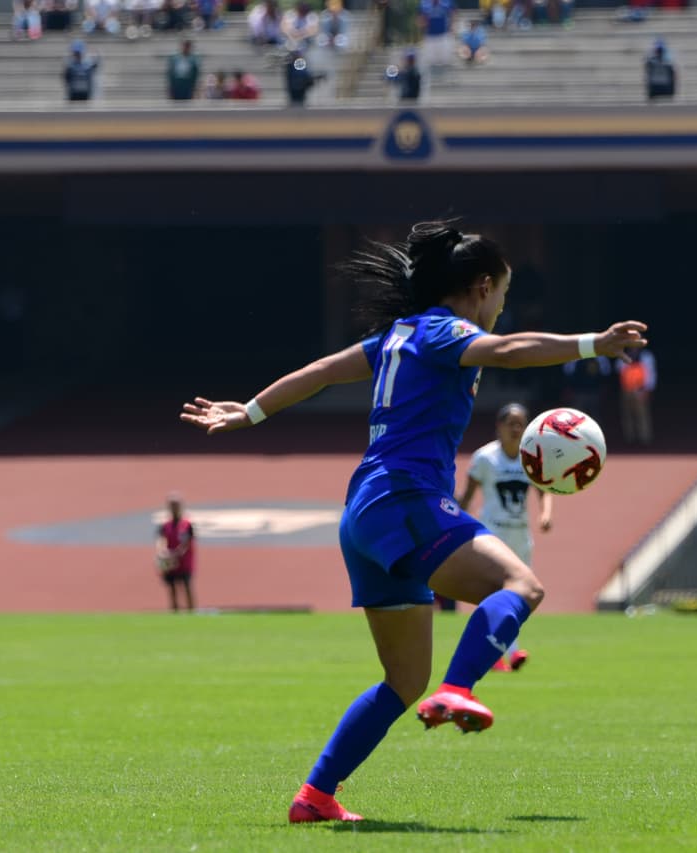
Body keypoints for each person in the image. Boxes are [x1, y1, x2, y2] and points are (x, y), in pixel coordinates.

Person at [181, 220, 647, 823]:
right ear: (481, 287)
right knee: (522, 587)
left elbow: (320, 372)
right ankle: (459, 689)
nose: (502, 308)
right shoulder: (444, 331)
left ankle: (315, 797)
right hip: (406, 499)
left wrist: (248, 411)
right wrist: (593, 343)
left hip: (365, 515)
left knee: (402, 681)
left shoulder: (395, 336)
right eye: (502, 295)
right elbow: (506, 351)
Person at [457, 402, 551, 672]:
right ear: (499, 426)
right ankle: (509, 650)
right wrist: (454, 521)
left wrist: (545, 513)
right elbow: (468, 494)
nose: (516, 428)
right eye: (510, 423)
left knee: (523, 593)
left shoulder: (530, 458)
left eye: (521, 423)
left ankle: (498, 648)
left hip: (520, 533)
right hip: (493, 532)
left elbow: (543, 489)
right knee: (496, 592)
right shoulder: (485, 458)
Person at [154, 493, 196, 612]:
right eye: (172, 505)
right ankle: (175, 612)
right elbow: (160, 540)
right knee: (172, 589)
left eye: (176, 505)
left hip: (184, 562)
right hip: (170, 563)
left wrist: (176, 553)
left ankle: (192, 611)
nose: (174, 508)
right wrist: (162, 552)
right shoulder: (165, 525)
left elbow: (187, 542)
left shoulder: (187, 524)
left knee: (187, 587)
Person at [617, 346, 656, 446]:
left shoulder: (646, 356)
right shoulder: (623, 355)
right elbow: (619, 369)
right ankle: (629, 438)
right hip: (627, 390)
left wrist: (647, 389)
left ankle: (644, 438)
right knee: (627, 415)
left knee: (642, 414)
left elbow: (651, 373)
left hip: (641, 389)